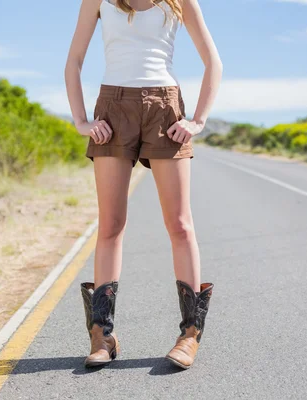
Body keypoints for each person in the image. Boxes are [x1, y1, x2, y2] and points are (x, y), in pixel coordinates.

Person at [65, 0, 222, 369]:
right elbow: (73, 61)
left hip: (164, 109)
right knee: (111, 225)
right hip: (113, 106)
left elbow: (213, 61)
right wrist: (81, 121)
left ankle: (189, 334)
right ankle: (102, 335)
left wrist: (198, 120)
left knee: (180, 225)